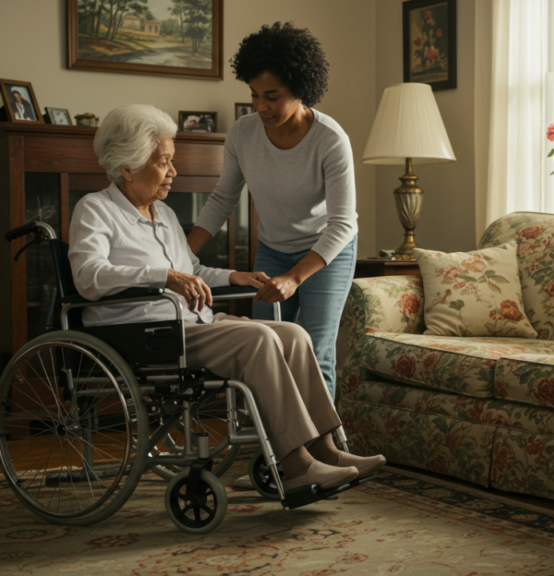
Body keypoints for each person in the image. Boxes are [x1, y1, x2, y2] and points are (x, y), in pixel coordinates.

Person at [68, 104, 384, 491]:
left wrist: (236, 276)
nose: (173, 172)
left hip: (189, 324)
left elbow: (192, 272)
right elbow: (88, 277)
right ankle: (296, 464)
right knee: (260, 338)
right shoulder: (95, 210)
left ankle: (327, 449)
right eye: (163, 162)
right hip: (144, 333)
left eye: (172, 161)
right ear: (127, 168)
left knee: (292, 334)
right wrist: (164, 276)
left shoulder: (162, 214)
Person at [187, 22, 357, 403]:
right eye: (254, 95)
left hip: (325, 254)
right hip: (273, 250)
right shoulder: (243, 134)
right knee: (264, 350)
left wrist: (295, 278)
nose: (260, 106)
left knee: (315, 352)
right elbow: (221, 201)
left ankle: (323, 448)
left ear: (301, 90)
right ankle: (276, 450)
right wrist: (180, 256)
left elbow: (343, 222)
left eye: (272, 97)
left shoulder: (330, 140)